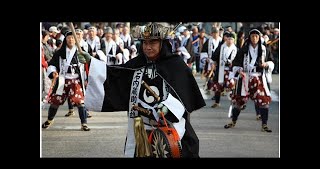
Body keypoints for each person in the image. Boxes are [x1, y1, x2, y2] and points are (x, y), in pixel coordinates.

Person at [84, 22, 206, 157]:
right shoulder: (137, 63)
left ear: (162, 43)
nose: (147, 47)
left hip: (170, 128)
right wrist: (93, 63)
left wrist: (168, 106)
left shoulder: (175, 65)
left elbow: (186, 93)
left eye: (152, 43)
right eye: (144, 43)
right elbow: (116, 74)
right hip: (141, 128)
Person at [224, 29, 274, 132]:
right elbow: (236, 63)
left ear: (259, 38)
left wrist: (266, 64)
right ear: (250, 38)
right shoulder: (244, 49)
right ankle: (233, 121)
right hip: (245, 77)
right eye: (252, 36)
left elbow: (271, 61)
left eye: (256, 36)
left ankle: (264, 124)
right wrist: (239, 70)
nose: (254, 38)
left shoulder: (264, 49)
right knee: (239, 101)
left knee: (263, 101)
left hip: (259, 77)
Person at [41, 31, 90, 131]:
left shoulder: (81, 51)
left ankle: (84, 123)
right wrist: (53, 72)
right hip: (63, 79)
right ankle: (50, 120)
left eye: (73, 38)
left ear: (75, 40)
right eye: (69, 38)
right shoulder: (60, 52)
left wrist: (86, 77)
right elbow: (52, 64)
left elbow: (88, 64)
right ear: (65, 40)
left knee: (80, 101)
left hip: (76, 80)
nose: (71, 40)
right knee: (55, 101)